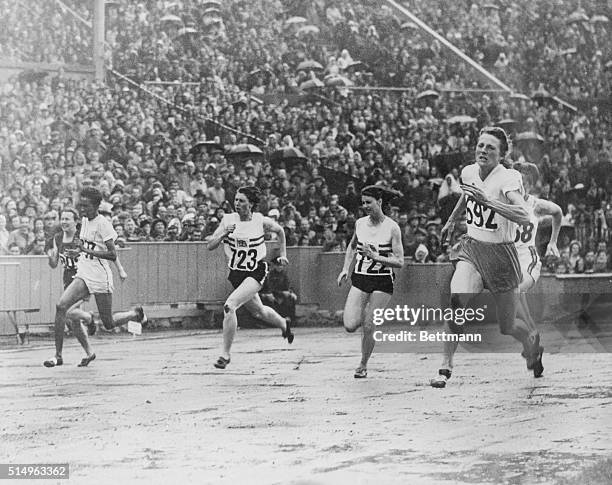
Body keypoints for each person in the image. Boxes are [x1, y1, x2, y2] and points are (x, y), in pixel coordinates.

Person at [430, 127, 542, 388]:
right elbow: (468, 195)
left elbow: (524, 215)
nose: (483, 150)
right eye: (480, 145)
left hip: (502, 257)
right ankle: (445, 366)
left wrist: (489, 202)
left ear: (501, 154)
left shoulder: (509, 178)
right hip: (472, 249)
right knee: (457, 302)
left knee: (507, 326)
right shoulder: (468, 171)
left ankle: (531, 342)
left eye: (490, 147)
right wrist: (450, 221)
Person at [43, 187, 148, 368]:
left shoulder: (103, 224)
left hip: (100, 276)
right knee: (61, 306)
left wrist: (86, 250)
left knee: (108, 323)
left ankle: (135, 314)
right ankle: (58, 356)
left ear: (96, 205)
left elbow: (112, 254)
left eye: (86, 205)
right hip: (83, 273)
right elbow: (65, 229)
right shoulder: (83, 220)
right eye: (80, 205)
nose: (82, 209)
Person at [207, 186, 294, 369]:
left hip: (256, 271)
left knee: (230, 306)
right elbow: (210, 245)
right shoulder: (228, 220)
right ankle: (284, 325)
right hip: (237, 273)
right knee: (259, 311)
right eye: (236, 200)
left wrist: (284, 253)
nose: (237, 204)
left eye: (242, 201)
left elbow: (280, 232)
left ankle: (225, 354)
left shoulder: (260, 221)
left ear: (252, 204)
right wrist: (224, 233)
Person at [337, 185, 404, 378]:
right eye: (363, 202)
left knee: (369, 325)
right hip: (361, 277)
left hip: (382, 281)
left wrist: (376, 257)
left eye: (369, 202)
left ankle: (363, 364)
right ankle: (367, 316)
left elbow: (399, 262)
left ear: (380, 202)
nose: (365, 206)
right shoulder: (360, 223)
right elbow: (351, 247)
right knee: (350, 325)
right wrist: (345, 269)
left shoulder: (392, 227)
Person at [512, 162, 562, 347]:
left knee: (514, 291)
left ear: (530, 185)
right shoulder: (505, 201)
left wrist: (553, 242)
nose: (516, 184)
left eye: (522, 181)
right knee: (515, 302)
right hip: (510, 260)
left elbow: (558, 212)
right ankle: (533, 339)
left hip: (528, 260)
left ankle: (532, 335)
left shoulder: (535, 204)